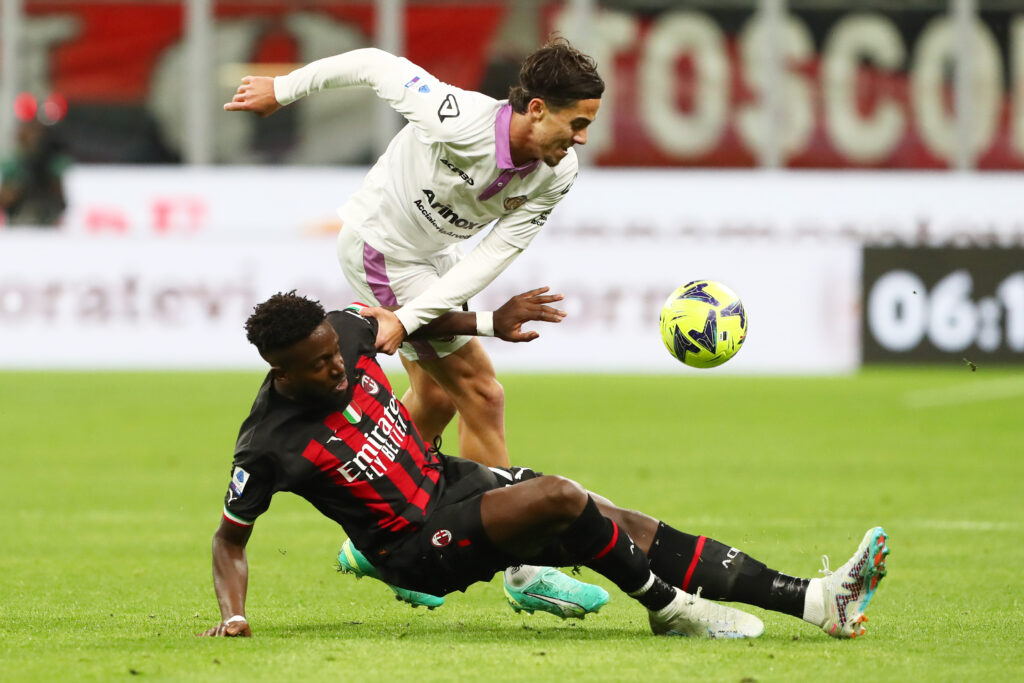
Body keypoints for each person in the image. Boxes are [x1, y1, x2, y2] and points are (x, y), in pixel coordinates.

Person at [198, 290, 890, 639]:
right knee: (561, 496)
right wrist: (234, 616)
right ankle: (670, 608)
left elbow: (405, 322)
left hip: (451, 482)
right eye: (320, 365)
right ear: (280, 369)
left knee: (621, 523)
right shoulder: (268, 442)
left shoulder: (345, 332)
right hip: (416, 546)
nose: (338, 366)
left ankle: (816, 601)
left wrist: (489, 324)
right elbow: (230, 538)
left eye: (335, 352)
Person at [224, 36, 608, 616]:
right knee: (481, 392)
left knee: (435, 396)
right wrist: (282, 89)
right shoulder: (457, 117)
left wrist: (410, 319)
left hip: (435, 260)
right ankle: (522, 567)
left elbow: (492, 254)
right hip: (382, 249)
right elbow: (373, 64)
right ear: (536, 109)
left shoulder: (557, 173)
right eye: (576, 123)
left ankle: (377, 541)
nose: (581, 139)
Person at [0, 119, 71, 227]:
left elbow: (61, 200)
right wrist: (18, 189)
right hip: (20, 221)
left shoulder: (52, 164)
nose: (33, 138)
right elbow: (5, 199)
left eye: (36, 134)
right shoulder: (14, 165)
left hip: (46, 221)